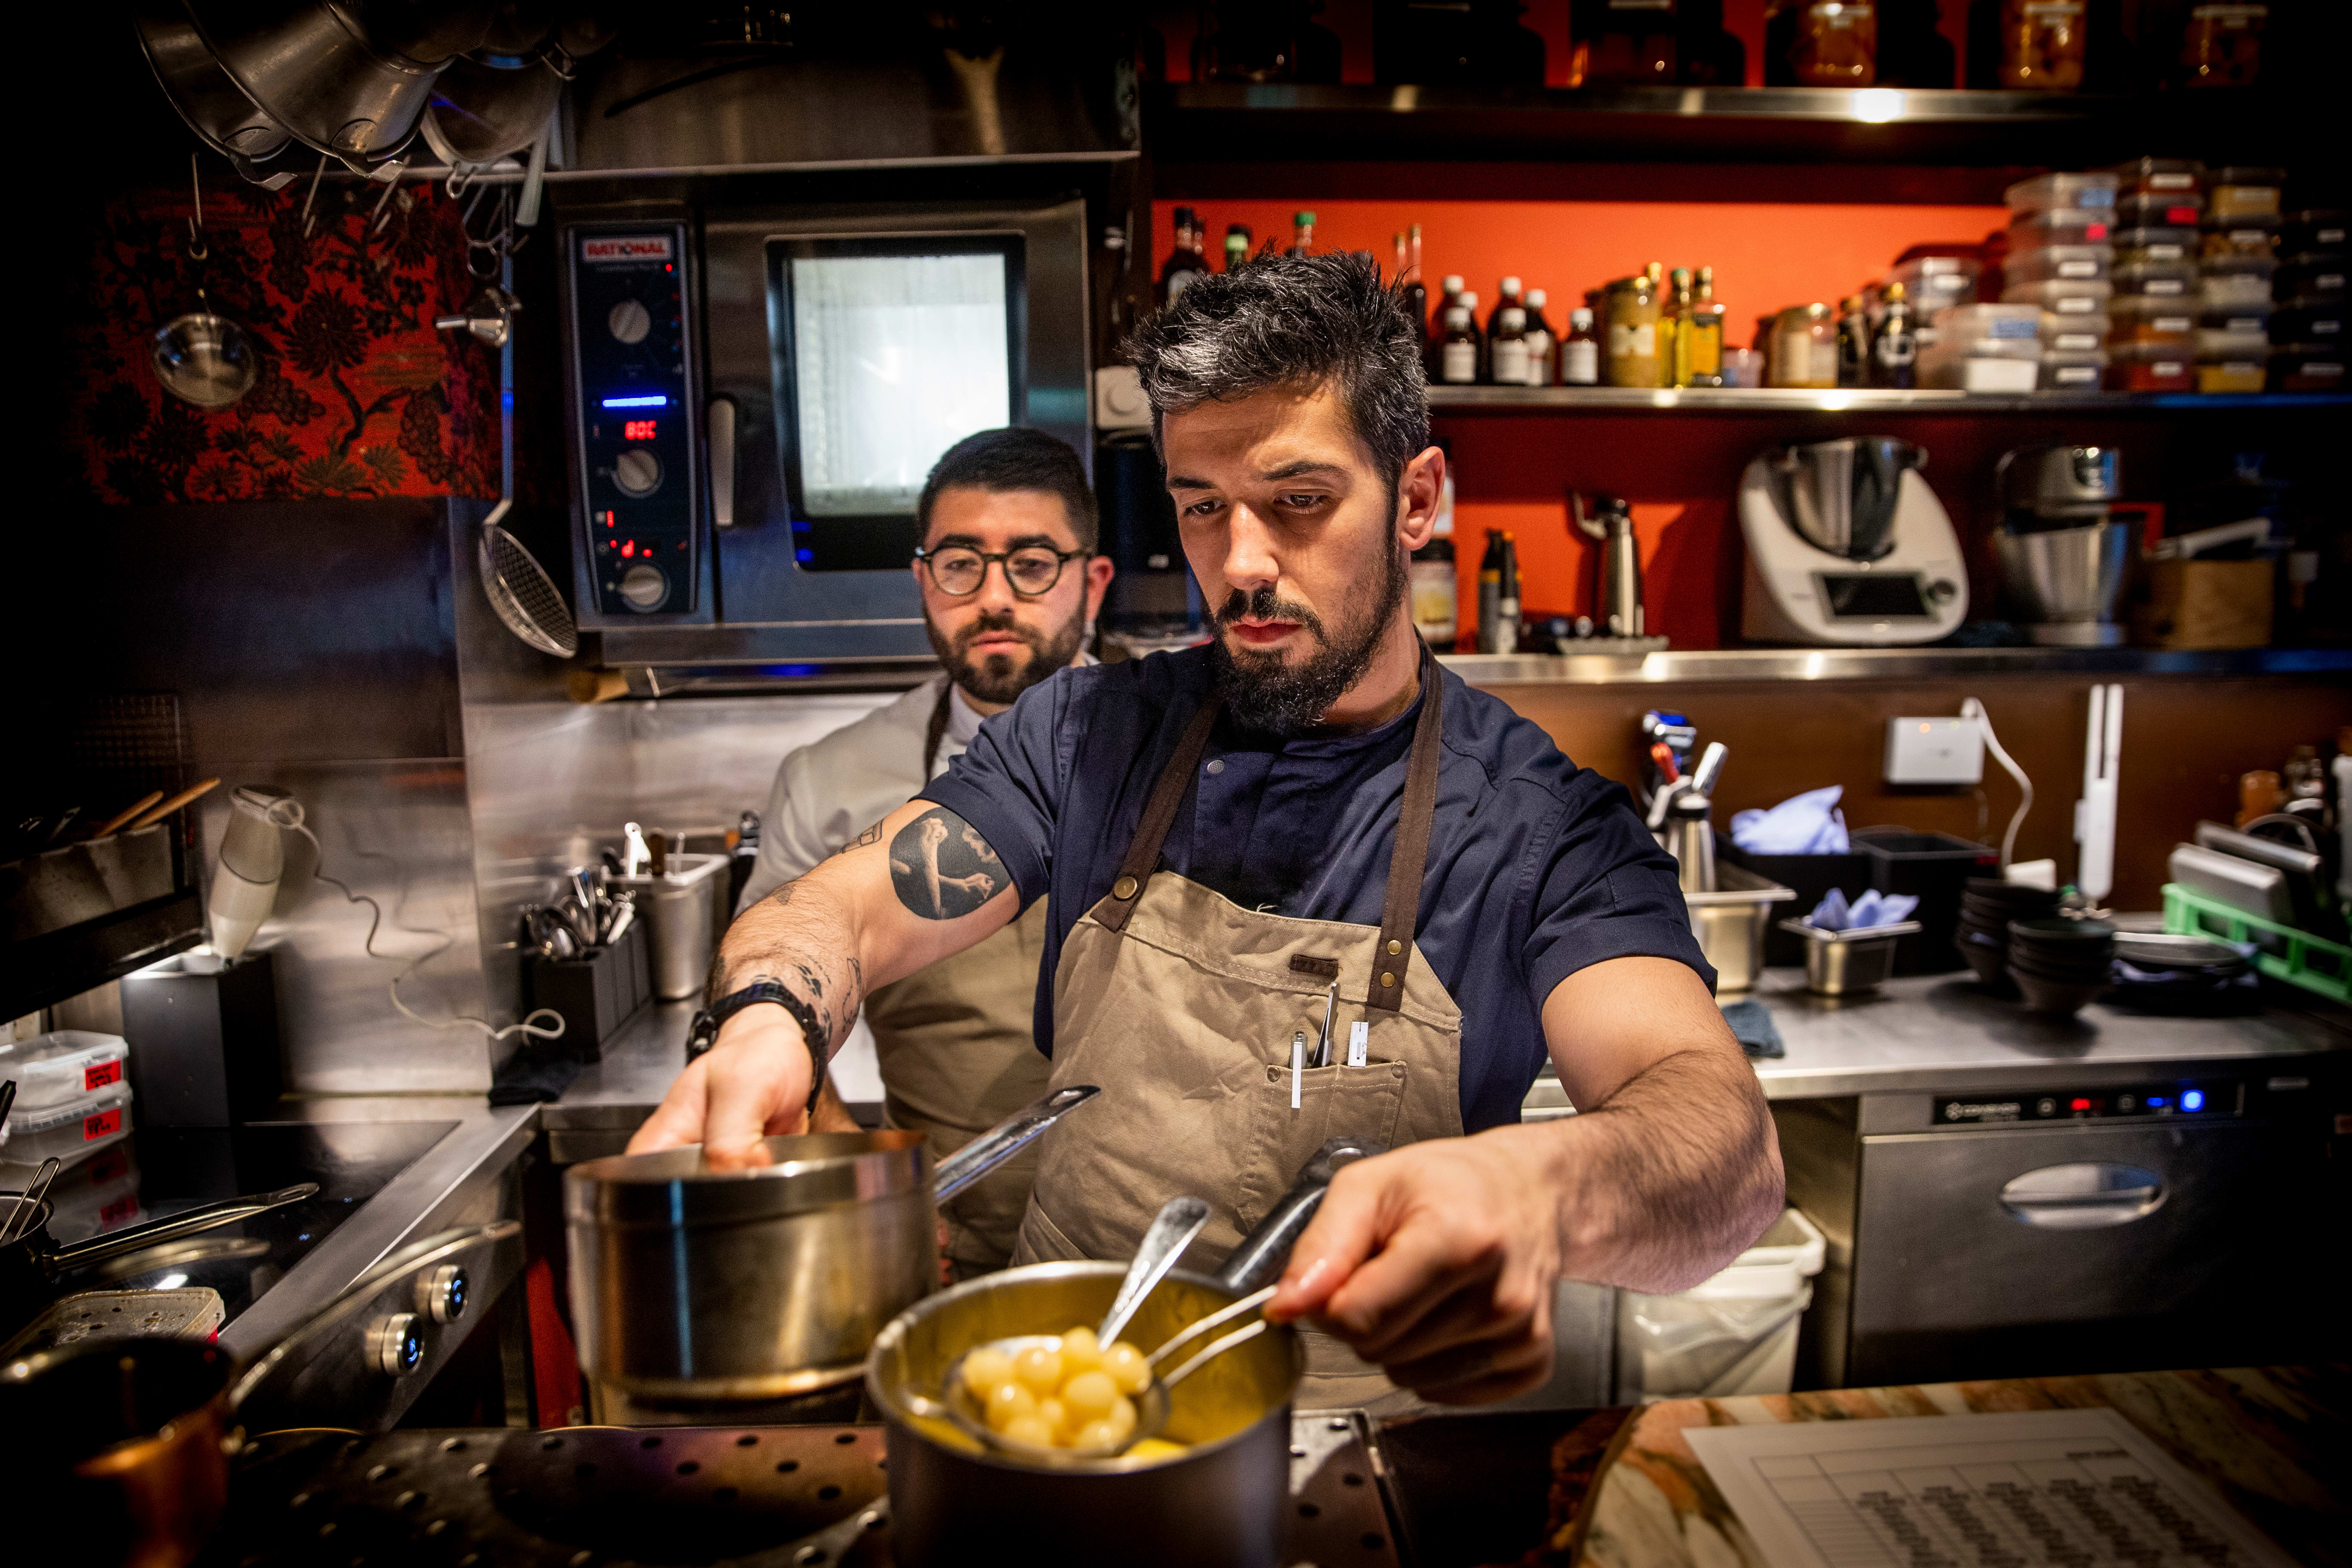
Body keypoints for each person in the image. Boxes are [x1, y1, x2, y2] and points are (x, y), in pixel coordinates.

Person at [634, 251, 1783, 1410]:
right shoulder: (1087, 737)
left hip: (1352, 1437)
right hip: (1056, 1394)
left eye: (1299, 503)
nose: (1241, 567)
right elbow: (841, 907)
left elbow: (1720, 1141)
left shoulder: (1542, 826)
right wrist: (772, 1017)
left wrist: (1544, 1190)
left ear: (1419, 500)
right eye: (1201, 510)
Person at [734, 426, 1114, 1278]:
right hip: (952, 1253)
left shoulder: (1195, 751)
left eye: (1032, 563)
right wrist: (854, 1167)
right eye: (960, 564)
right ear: (922, 580)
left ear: (1092, 581)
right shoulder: (831, 781)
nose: (994, 598)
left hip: (1178, 1249)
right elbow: (761, 1009)